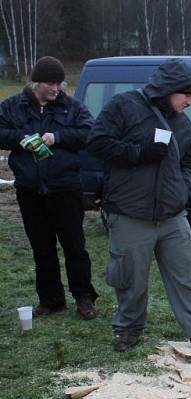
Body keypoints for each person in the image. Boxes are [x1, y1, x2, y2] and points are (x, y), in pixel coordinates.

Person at [87, 58, 191, 357]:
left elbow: (188, 161)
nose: (190, 102)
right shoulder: (124, 106)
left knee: (188, 273)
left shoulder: (182, 124)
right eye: (186, 94)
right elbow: (97, 142)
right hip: (129, 213)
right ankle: (128, 329)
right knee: (131, 279)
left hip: (171, 215)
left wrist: (183, 188)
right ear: (169, 88)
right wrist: (138, 152)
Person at [0, 56, 99, 319]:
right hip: (30, 191)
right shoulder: (13, 107)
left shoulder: (73, 108)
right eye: (50, 83)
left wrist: (59, 137)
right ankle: (51, 299)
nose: (56, 88)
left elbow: (90, 133)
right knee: (42, 249)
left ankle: (84, 298)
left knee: (75, 247)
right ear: (36, 83)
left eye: (59, 83)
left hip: (65, 189)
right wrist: (21, 139)